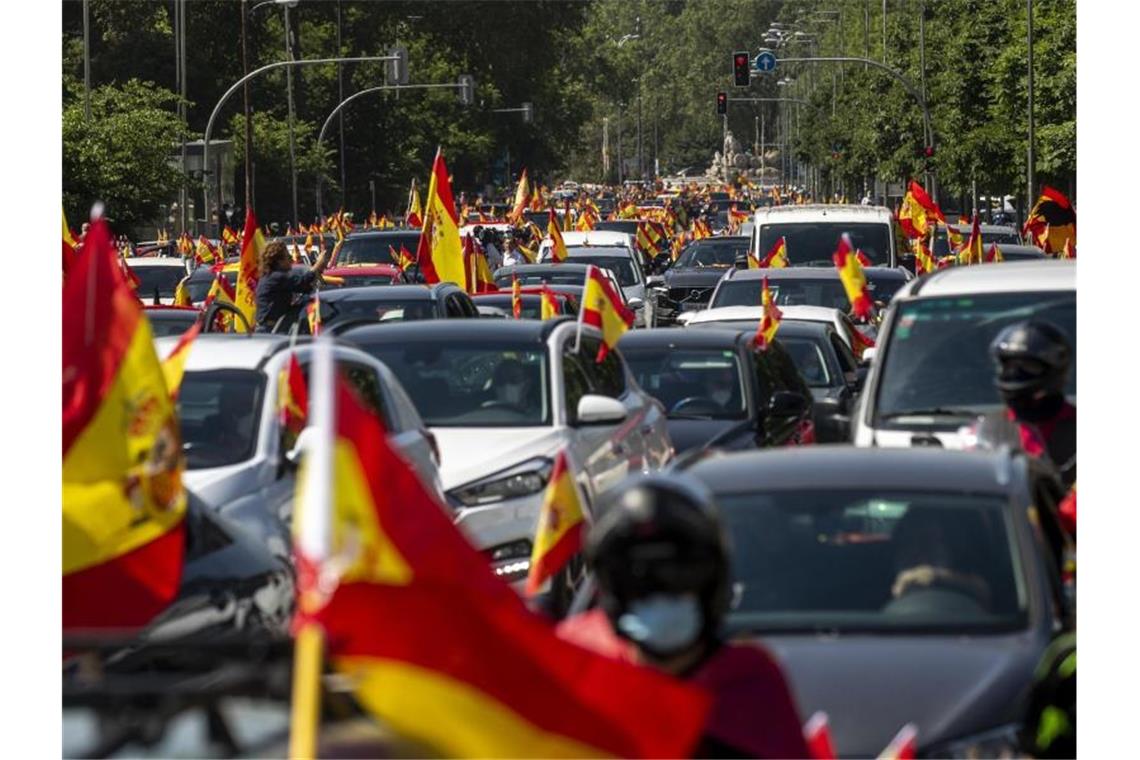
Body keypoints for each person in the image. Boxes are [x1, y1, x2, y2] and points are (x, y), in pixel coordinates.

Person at [557, 474, 810, 758]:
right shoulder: (573, 663)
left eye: (679, 576)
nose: (660, 593)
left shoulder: (750, 684)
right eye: (639, 580)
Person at [969, 321, 1076, 490]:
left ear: (1053, 370)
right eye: (1007, 365)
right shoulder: (987, 430)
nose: (1013, 374)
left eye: (1027, 366)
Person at [254, 240, 332, 332]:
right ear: (279, 261)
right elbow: (302, 282)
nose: (291, 259)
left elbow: (306, 288)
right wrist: (318, 264)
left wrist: (319, 270)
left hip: (275, 327)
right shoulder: (276, 277)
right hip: (271, 329)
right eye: (288, 256)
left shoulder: (272, 277)